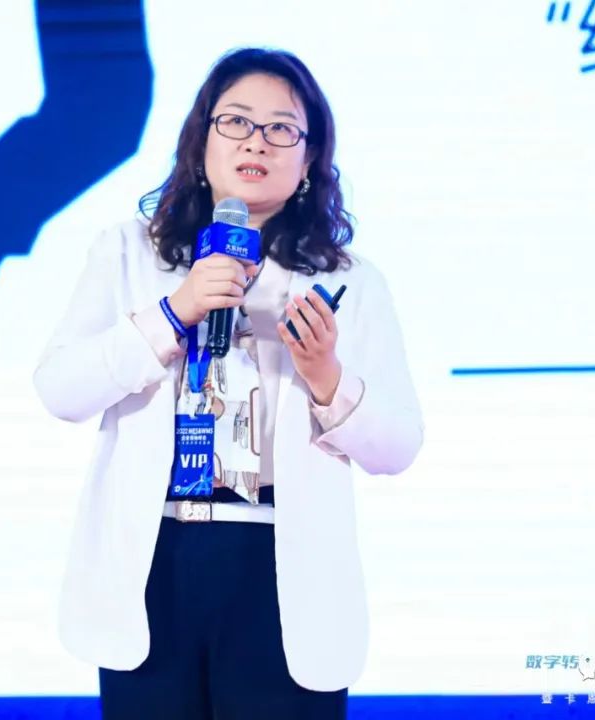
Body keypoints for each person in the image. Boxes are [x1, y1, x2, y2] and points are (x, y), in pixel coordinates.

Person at [34, 47, 423, 719]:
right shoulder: (130, 253)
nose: (256, 142)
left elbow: (398, 448)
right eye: (236, 121)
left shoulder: (348, 282)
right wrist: (173, 313)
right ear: (202, 140)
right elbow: (61, 390)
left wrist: (327, 380)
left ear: (309, 159)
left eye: (282, 129)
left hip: (282, 570)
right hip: (155, 560)